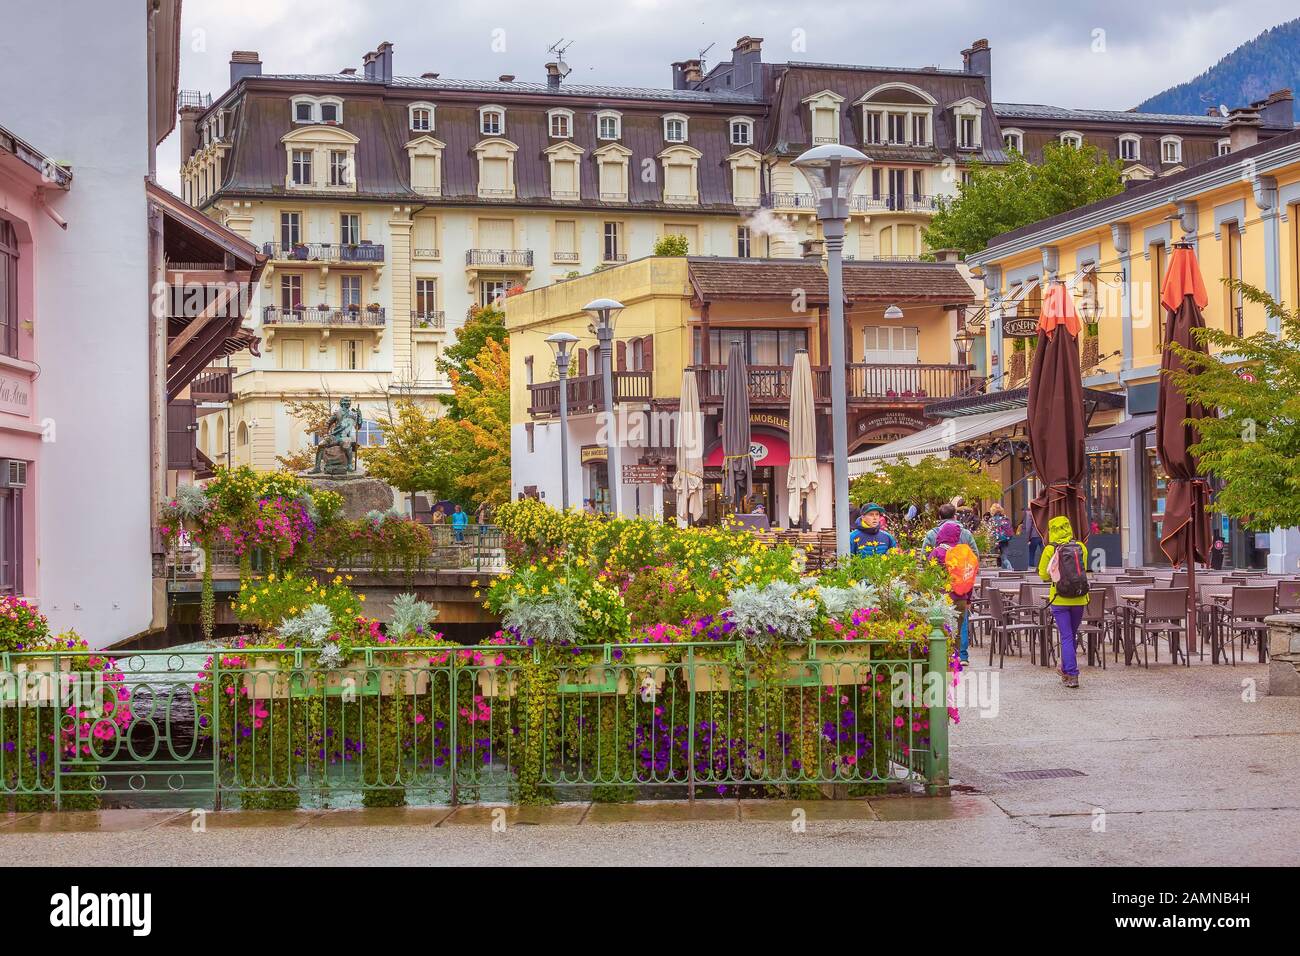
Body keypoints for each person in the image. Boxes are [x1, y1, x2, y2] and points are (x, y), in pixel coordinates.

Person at [1038, 516, 1089, 688]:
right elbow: (1083, 569)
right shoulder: (1080, 547)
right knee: (1071, 636)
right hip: (1080, 597)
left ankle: (1072, 674)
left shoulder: (1050, 550)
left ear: (1052, 530)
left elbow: (1043, 575)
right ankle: (1066, 670)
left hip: (1059, 598)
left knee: (1066, 636)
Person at [929, 522, 978, 664]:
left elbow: (930, 576)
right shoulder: (963, 553)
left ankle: (941, 659)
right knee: (957, 630)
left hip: (942, 598)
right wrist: (968, 599)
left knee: (940, 629)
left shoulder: (937, 552)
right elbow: (969, 578)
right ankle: (955, 658)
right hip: (961, 598)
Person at [988, 503, 1014, 570]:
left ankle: (995, 571)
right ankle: (1009, 568)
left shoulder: (992, 520)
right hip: (1005, 539)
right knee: (1004, 557)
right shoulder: (1005, 518)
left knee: (993, 557)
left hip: (994, 541)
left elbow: (989, 531)